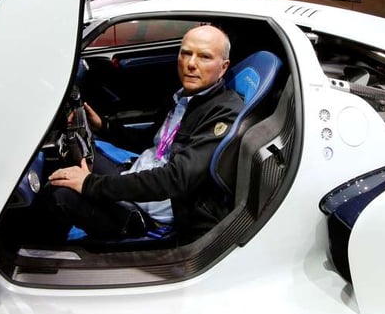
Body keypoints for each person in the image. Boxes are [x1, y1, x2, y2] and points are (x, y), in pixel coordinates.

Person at [41, 25, 243, 243]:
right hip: (136, 175)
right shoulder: (183, 97)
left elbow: (176, 180)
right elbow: (151, 141)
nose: (191, 64)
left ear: (223, 68)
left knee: (58, 195)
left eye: (204, 57)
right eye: (186, 53)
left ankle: (35, 255)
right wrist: (104, 127)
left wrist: (90, 185)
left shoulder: (223, 112)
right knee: (68, 161)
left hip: (148, 213)